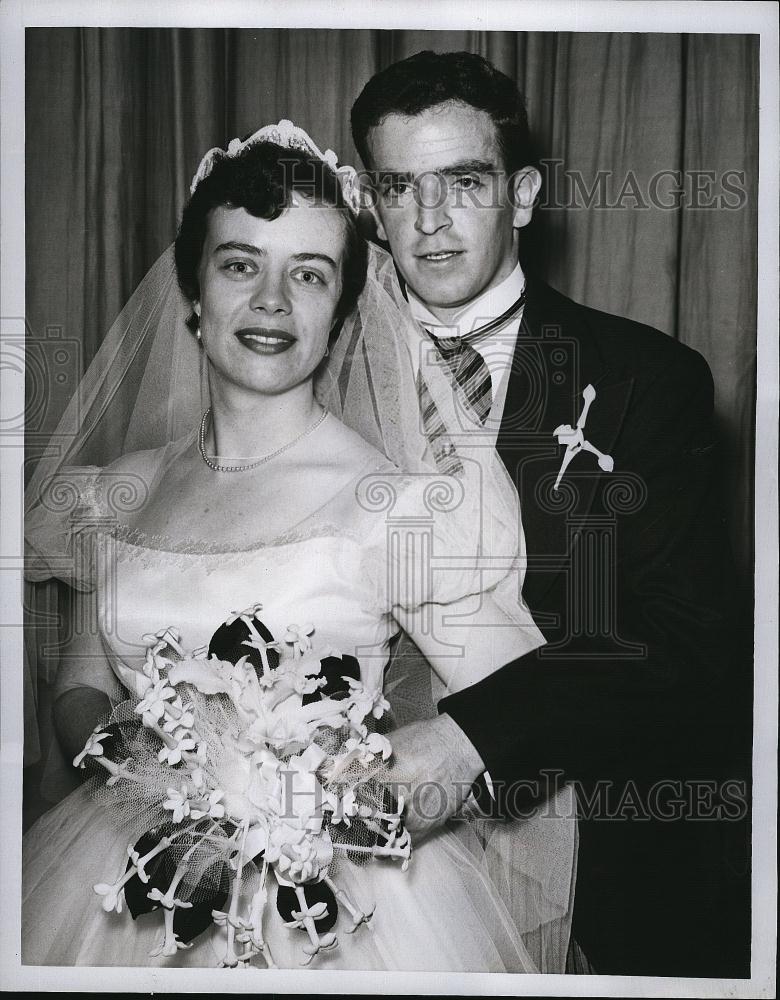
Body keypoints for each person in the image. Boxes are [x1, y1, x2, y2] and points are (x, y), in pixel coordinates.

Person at [21, 129, 575, 971]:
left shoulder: (397, 506)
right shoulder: (120, 491)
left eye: (309, 274)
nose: (273, 300)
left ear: (343, 313)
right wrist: (148, 769)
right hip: (114, 882)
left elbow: (529, 710)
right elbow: (81, 684)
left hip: (341, 914)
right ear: (193, 294)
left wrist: (337, 801)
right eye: (241, 265)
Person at [349, 50, 751, 977]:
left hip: (601, 861)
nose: (431, 219)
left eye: (465, 181)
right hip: (365, 873)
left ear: (522, 195)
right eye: (400, 187)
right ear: (371, 205)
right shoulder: (318, 375)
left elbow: (686, 639)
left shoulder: (648, 379)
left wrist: (472, 738)